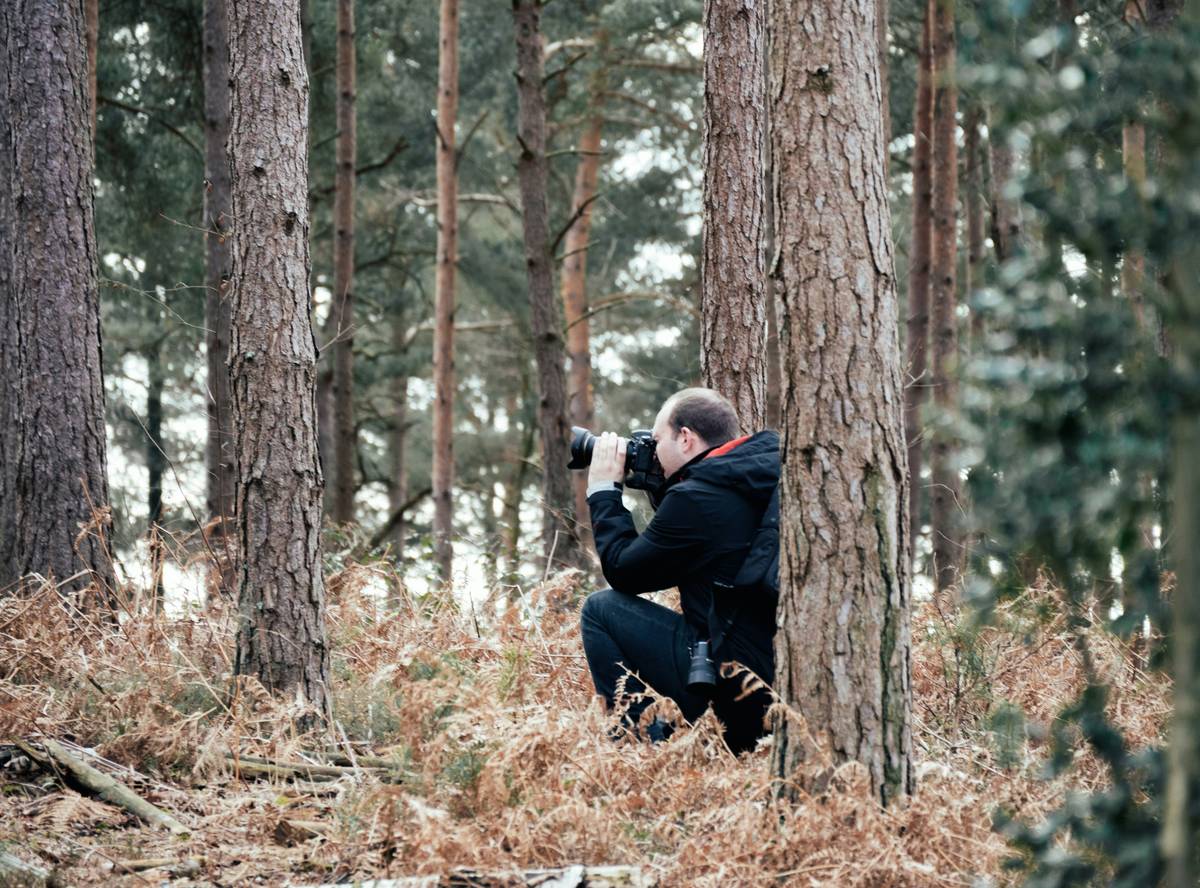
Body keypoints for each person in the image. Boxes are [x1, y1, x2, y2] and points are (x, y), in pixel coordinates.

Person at [579, 387, 779, 754]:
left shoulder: (699, 499)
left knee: (602, 610)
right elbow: (687, 545)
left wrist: (604, 491)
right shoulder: (759, 474)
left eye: (656, 441)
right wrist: (660, 484)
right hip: (777, 682)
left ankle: (641, 751)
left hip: (735, 690)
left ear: (685, 438)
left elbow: (624, 572)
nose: (651, 451)